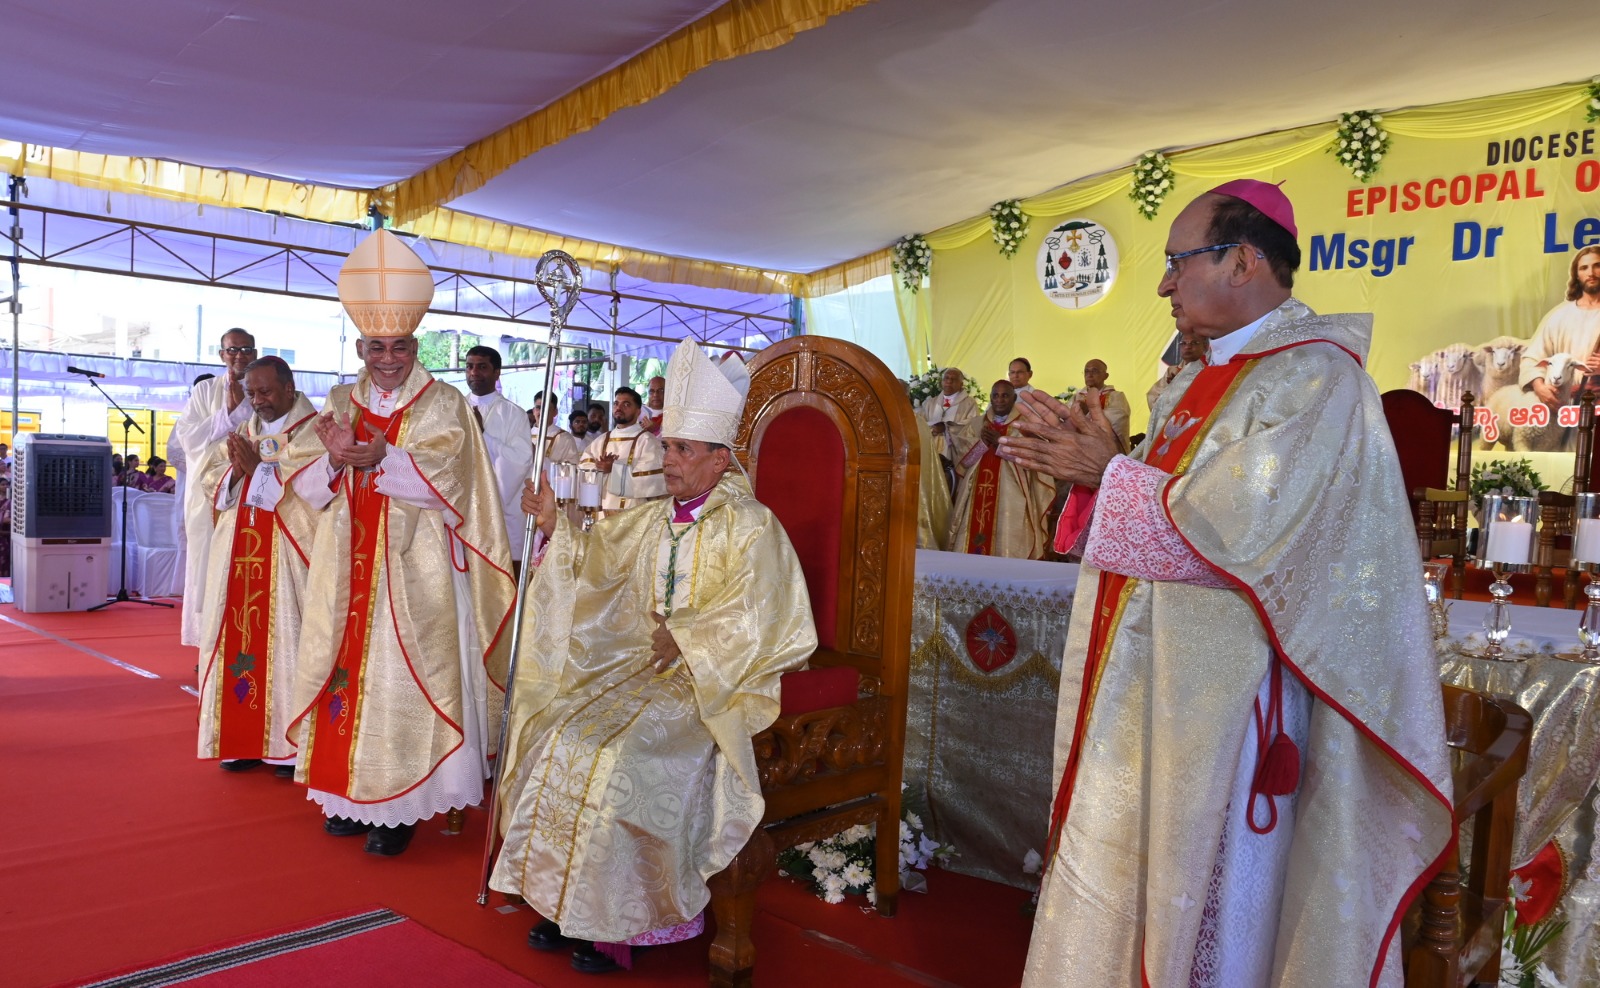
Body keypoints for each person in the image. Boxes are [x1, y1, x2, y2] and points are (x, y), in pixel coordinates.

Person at [999, 180, 1451, 986]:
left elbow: (1245, 533)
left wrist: (1114, 475)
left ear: (1242, 260)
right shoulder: (1196, 376)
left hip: (1233, 703)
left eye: (1177, 262)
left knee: (1212, 903)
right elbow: (1165, 512)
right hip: (1151, 685)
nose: (1165, 284)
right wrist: (1093, 476)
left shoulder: (1316, 380)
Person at [490, 339, 815, 975]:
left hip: (712, 685)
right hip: (641, 673)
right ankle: (565, 904)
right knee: (558, 730)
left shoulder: (752, 526)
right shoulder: (657, 516)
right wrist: (558, 523)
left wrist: (690, 636)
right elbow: (602, 559)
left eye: (682, 450)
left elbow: (769, 613)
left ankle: (619, 924)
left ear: (720, 460)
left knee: (617, 758)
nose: (667, 459)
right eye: (666, 446)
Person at [282, 230, 516, 858]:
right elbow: (301, 480)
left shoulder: (443, 404)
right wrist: (332, 459)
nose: (388, 357)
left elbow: (460, 481)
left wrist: (388, 457)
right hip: (347, 564)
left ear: (417, 345)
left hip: (414, 570)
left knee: (398, 677)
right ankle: (347, 791)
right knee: (344, 665)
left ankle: (399, 807)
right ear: (360, 345)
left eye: (401, 346)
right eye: (377, 346)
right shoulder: (338, 399)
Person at [194, 356, 318, 776]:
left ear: (289, 387)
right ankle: (241, 737)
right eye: (251, 393)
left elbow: (317, 495)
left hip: (288, 559)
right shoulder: (242, 432)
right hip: (240, 558)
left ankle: (289, 745)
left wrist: (256, 474)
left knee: (290, 641)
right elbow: (211, 481)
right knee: (238, 641)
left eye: (265, 392)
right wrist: (237, 475)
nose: (258, 401)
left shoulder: (313, 432)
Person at [171, 329, 259, 646]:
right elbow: (187, 438)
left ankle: (246, 639)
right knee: (208, 564)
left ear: (255, 352)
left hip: (254, 492)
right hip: (210, 495)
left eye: (246, 349)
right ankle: (209, 643)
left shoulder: (266, 387)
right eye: (232, 350)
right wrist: (228, 415)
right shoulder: (206, 390)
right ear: (221, 354)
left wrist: (241, 412)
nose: (239, 355)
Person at [947, 380, 1054, 558]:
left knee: (1007, 532)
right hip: (975, 493)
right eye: (996, 395)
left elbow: (1033, 460)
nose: (1000, 400)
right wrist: (982, 443)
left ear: (1014, 398)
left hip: (1011, 494)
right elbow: (964, 462)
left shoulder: (1025, 426)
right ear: (990, 398)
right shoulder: (976, 423)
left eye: (1005, 396)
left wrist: (1000, 444)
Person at [463, 345, 535, 570]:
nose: (474, 372)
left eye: (482, 367)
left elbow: (520, 460)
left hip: (501, 511)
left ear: (496, 373)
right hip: (461, 509)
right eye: (469, 367)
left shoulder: (513, 414)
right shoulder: (455, 408)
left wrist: (482, 434)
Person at [1520, 244, 1600, 406]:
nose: (1590, 273)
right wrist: (1539, 386)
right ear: (1576, 275)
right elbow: (1532, 359)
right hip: (1563, 406)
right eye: (1584, 268)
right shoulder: (1560, 316)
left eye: (1597, 266)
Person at [578, 387, 667, 513]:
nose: (619, 408)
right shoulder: (601, 440)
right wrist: (598, 468)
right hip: (599, 513)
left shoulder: (648, 441)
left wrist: (614, 470)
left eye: (626, 404)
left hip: (632, 515)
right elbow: (583, 469)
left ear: (638, 411)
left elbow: (654, 482)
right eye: (616, 403)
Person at [919, 366, 980, 494]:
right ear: (941, 382)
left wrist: (947, 428)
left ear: (961, 384)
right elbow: (920, 422)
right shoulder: (931, 402)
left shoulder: (969, 404)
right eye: (946, 378)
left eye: (953, 379)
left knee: (949, 485)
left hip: (953, 451)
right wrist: (932, 429)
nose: (949, 381)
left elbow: (972, 426)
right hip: (931, 448)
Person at [1145, 330, 1211, 415]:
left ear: (1205, 346)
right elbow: (1153, 399)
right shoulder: (1172, 372)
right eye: (1183, 343)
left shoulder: (1212, 369)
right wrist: (1171, 388)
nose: (1187, 347)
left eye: (1194, 343)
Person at [1081, 359, 1132, 450]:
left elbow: (1118, 419)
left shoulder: (1116, 396)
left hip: (1106, 448)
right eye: (1086, 371)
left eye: (1095, 371)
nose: (1090, 374)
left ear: (1106, 376)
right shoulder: (1077, 397)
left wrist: (1086, 414)